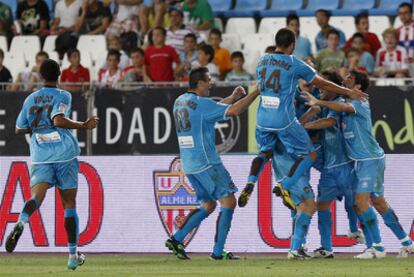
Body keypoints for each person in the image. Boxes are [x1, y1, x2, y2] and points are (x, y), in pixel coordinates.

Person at [237, 29, 365, 232]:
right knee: (309, 160)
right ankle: (286, 190)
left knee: (265, 152)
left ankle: (252, 181)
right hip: (286, 128)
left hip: (262, 120)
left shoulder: (262, 61)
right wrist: (349, 92)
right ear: (293, 45)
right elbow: (321, 83)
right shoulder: (296, 66)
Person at [302, 70, 414, 259]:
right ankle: (407, 243)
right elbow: (338, 111)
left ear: (359, 87)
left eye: (350, 78)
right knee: (378, 202)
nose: (345, 80)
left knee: (360, 203)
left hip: (368, 159)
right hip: (365, 160)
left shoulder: (359, 101)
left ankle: (376, 248)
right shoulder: (344, 103)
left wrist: (318, 102)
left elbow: (341, 111)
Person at [5, 59, 99, 270]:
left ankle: (21, 221)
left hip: (40, 156)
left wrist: (39, 128)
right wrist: (84, 125)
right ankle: (73, 256)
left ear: (41, 75)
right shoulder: (63, 95)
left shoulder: (30, 99)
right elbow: (58, 120)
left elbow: (19, 129)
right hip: (64, 155)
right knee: (69, 205)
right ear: (59, 76)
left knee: (35, 198)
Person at [165, 66, 260, 260]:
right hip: (207, 162)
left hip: (190, 164)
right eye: (208, 80)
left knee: (208, 205)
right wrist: (256, 92)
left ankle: (177, 238)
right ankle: (218, 252)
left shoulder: (180, 101)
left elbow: (210, 112)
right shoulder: (201, 104)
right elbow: (232, 112)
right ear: (199, 83)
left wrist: (232, 97)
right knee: (229, 202)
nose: (211, 83)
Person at [301, 70, 364, 258]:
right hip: (329, 168)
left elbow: (329, 123)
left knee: (354, 204)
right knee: (322, 205)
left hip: (345, 164)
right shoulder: (327, 106)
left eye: (325, 84)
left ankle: (365, 238)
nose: (320, 88)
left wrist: (307, 125)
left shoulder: (342, 105)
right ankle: (326, 248)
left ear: (333, 87)